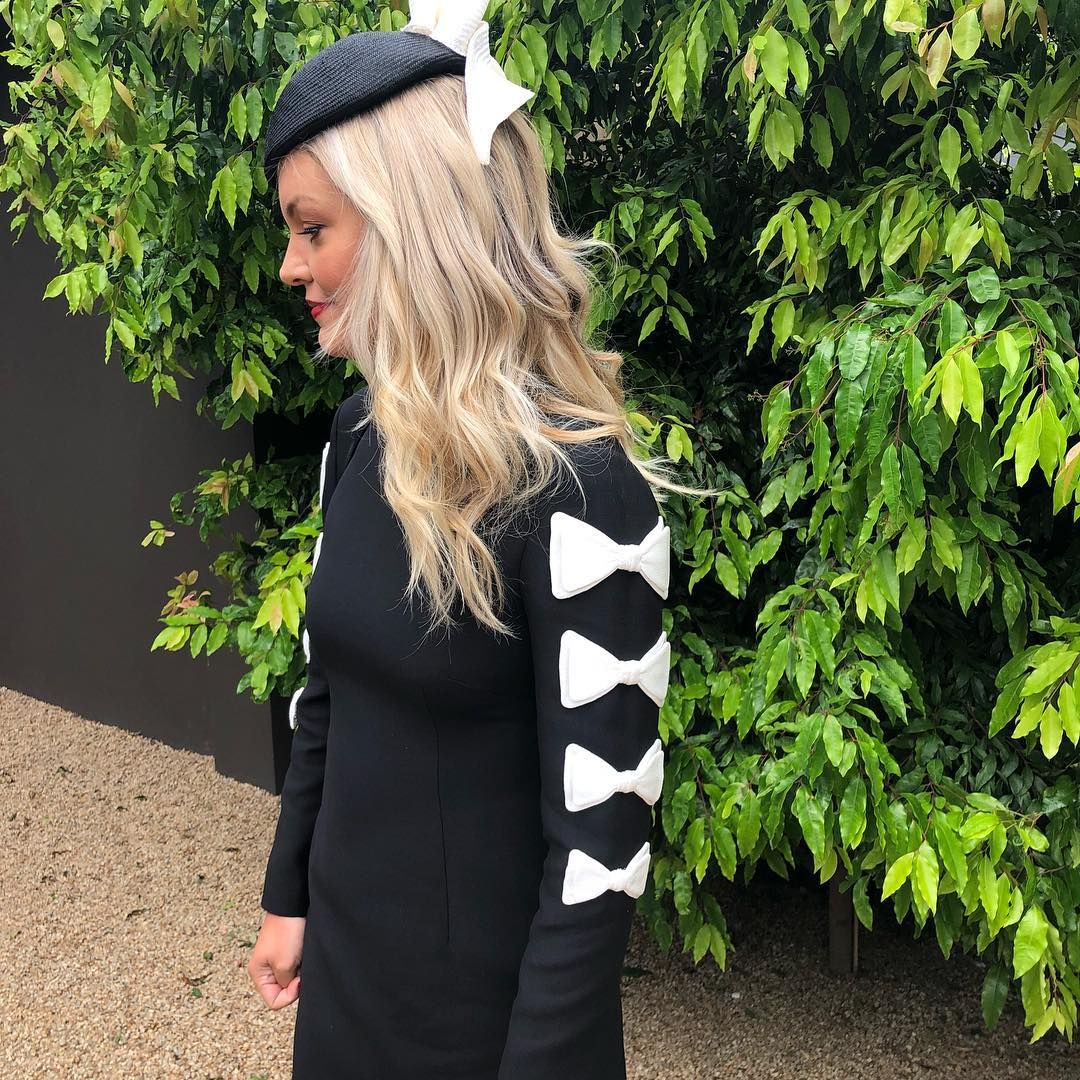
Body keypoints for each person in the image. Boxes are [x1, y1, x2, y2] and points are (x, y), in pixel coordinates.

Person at [246, 3, 711, 1077]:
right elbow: (328, 699)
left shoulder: (579, 485)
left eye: (312, 230)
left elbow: (599, 850)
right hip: (348, 987)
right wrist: (287, 896)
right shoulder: (358, 433)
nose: (290, 267)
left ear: (409, 224)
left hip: (489, 1030)